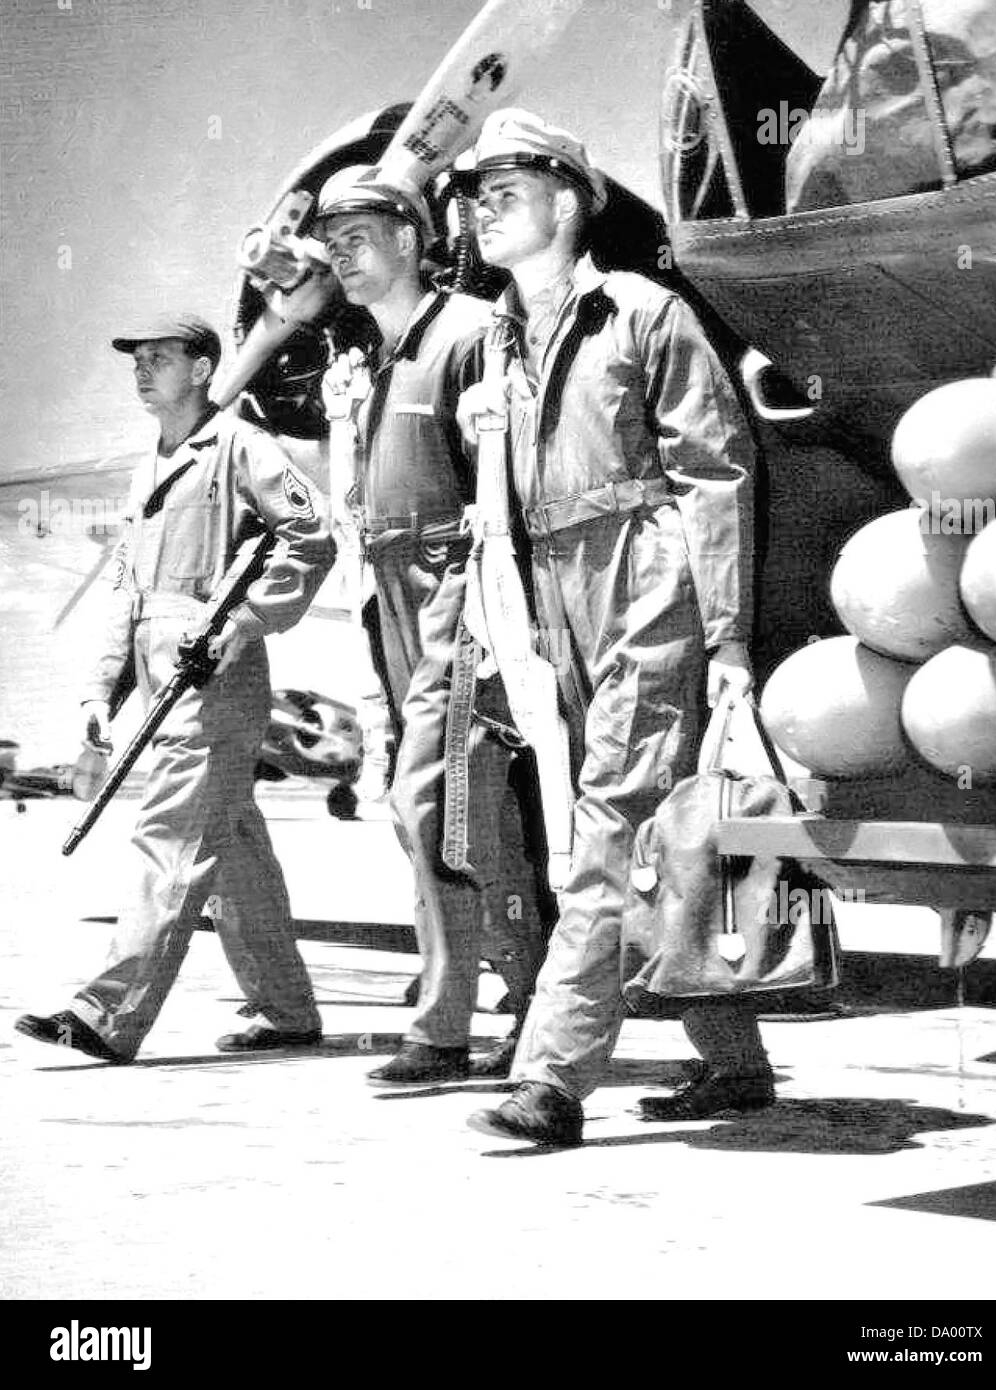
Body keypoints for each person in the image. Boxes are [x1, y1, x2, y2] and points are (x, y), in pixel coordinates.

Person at [456, 111, 775, 1146]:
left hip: (644, 574)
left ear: (567, 198)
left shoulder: (643, 312)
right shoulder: (499, 339)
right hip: (549, 591)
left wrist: (725, 637)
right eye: (475, 196)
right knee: (643, 823)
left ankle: (553, 1076)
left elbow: (717, 476)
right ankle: (735, 1062)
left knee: (607, 822)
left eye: (505, 191)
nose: (482, 211)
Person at [15, 314, 335, 1063]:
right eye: (137, 360)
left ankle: (106, 1012)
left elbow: (311, 533)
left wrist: (246, 622)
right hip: (160, 669)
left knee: (170, 836)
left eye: (160, 357)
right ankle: (287, 1012)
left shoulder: (243, 446)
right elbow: (128, 585)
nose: (142, 370)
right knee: (232, 847)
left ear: (201, 369)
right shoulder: (150, 465)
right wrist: (101, 690)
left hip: (215, 671)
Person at [314, 165, 547, 1084]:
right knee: (449, 813)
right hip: (387, 588)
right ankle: (499, 1011)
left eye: (359, 236)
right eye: (333, 245)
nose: (341, 256)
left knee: (435, 800)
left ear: (411, 238)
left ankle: (481, 1017)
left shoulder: (471, 334)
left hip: (459, 580)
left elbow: (511, 478)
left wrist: (498, 607)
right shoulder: (368, 359)